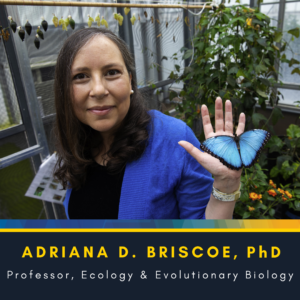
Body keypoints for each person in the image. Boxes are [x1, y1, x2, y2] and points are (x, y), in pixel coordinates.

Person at [53, 27, 245, 219]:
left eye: (111, 72)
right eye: (80, 76)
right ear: (64, 90)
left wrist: (226, 185)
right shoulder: (78, 143)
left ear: (130, 81)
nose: (98, 90)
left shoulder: (174, 140)